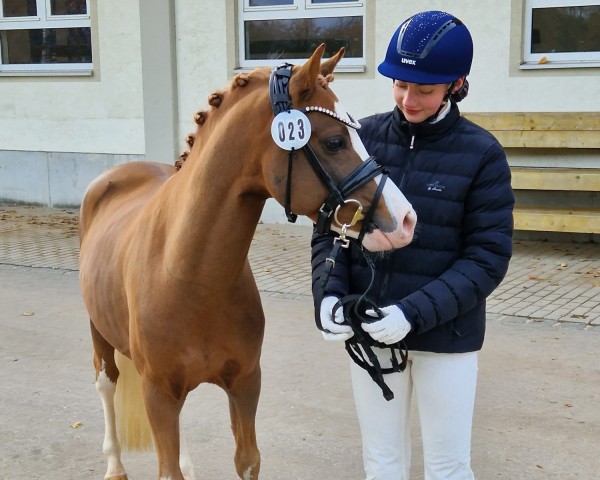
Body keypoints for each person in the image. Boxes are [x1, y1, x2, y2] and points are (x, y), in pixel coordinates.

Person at [311, 10, 515, 480]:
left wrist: (411, 314)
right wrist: (327, 295)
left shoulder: (482, 154)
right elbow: (330, 231)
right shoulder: (363, 139)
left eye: (423, 89)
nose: (408, 99)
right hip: (370, 325)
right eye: (400, 84)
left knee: (447, 467)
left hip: (446, 337)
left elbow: (486, 258)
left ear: (455, 84)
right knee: (382, 463)